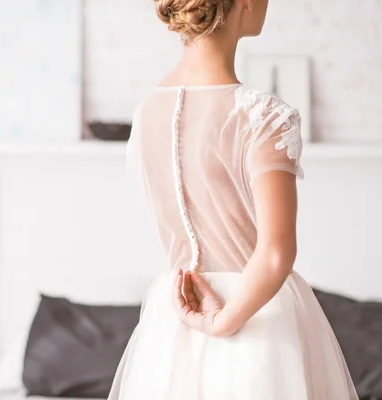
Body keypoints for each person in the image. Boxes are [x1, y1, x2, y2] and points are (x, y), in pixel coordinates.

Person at [107, 0, 358, 399]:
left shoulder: (147, 111)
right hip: (253, 317)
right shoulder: (264, 116)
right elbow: (275, 255)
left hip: (172, 322)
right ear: (246, 3)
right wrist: (223, 322)